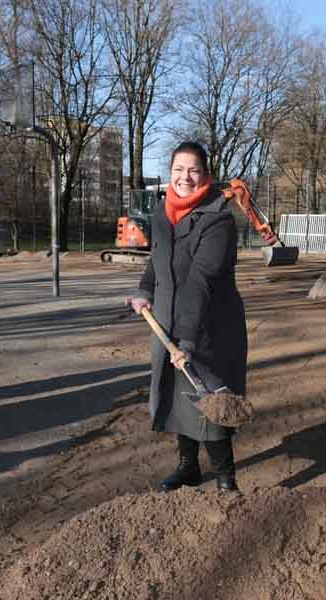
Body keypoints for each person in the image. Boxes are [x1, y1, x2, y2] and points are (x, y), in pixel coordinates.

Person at [127, 141, 247, 493]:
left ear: (206, 176)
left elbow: (201, 282)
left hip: (210, 325)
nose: (185, 177)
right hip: (166, 321)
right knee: (177, 396)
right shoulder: (163, 212)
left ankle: (227, 480)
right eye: (178, 169)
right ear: (170, 174)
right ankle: (188, 467)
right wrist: (145, 291)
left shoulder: (218, 220)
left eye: (193, 170)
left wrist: (189, 342)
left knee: (209, 400)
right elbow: (156, 261)